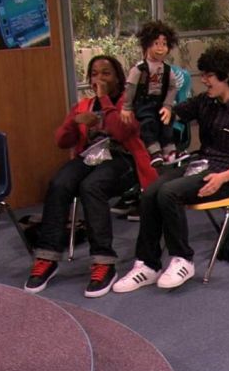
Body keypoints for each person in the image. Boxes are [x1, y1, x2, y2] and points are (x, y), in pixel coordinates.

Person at [112, 47, 229, 292]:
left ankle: (183, 259)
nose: (203, 81)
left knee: (169, 193)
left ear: (225, 76)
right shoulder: (205, 102)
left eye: (208, 76)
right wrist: (165, 109)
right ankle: (148, 264)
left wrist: (223, 178)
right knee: (151, 191)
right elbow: (175, 112)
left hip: (225, 176)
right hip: (199, 165)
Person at [24, 55, 158, 298]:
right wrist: (74, 122)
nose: (99, 78)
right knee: (59, 183)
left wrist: (105, 100)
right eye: (95, 74)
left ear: (117, 77)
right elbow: (61, 141)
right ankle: (47, 257)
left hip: (123, 161)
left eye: (106, 73)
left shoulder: (129, 102)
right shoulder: (84, 105)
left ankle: (103, 262)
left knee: (91, 186)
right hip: (90, 157)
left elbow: (121, 130)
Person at [120, 20, 183, 167]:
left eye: (164, 44)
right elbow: (130, 88)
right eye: (156, 43)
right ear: (147, 45)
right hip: (143, 104)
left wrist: (168, 106)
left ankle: (169, 150)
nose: (161, 48)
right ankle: (154, 150)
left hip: (160, 104)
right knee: (148, 123)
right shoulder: (139, 69)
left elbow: (172, 88)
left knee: (167, 121)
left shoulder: (168, 70)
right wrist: (127, 107)